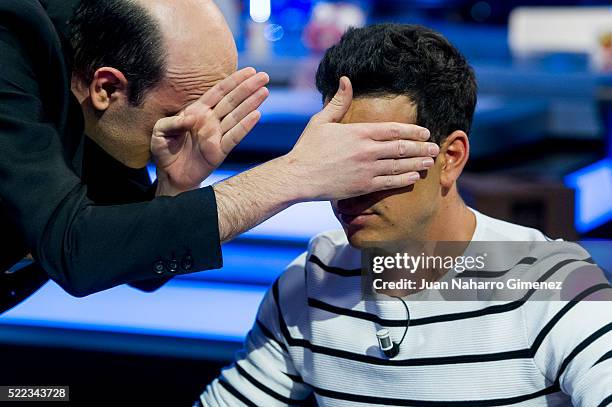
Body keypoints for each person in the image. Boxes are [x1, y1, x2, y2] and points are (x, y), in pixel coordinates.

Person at [200, 24, 612, 406]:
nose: (349, 186)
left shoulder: (550, 285)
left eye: (378, 161)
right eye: (336, 161)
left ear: (450, 158)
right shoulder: (311, 280)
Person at [0, 0, 440, 313]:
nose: (198, 132)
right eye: (174, 115)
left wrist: (174, 190)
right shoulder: (11, 41)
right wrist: (292, 176)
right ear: (106, 88)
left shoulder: (105, 59)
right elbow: (76, 251)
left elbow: (129, 261)